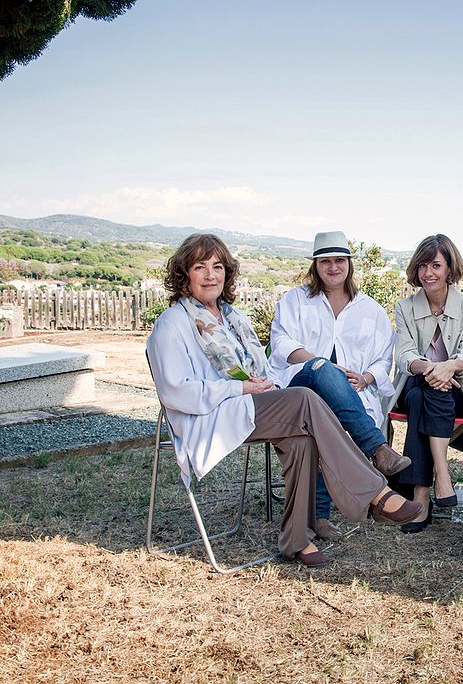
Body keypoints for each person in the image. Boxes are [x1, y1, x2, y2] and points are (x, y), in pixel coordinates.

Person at [146, 233, 422, 568]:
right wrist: (241, 389)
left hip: (251, 405)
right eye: (199, 267)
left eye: (217, 266)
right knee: (305, 397)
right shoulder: (172, 324)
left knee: (302, 436)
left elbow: (261, 371)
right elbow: (175, 392)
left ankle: (296, 539)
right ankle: (376, 492)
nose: (210, 275)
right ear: (183, 275)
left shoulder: (234, 320)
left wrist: (261, 386)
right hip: (211, 415)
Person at [268, 231, 409, 542]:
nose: (333, 267)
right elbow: (280, 342)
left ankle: (319, 516)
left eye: (339, 261)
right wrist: (320, 365)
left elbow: (384, 356)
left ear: (349, 264)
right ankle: (378, 449)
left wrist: (367, 378)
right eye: (325, 261)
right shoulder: (295, 300)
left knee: (324, 423)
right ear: (316, 266)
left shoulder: (370, 309)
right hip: (299, 386)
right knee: (321, 371)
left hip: (351, 395)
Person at [387, 234, 463, 534]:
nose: (428, 273)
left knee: (425, 398)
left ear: (449, 268)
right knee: (423, 391)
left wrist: (450, 367)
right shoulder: (405, 308)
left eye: (436, 265)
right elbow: (404, 353)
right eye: (422, 266)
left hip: (458, 389)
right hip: (414, 382)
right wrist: (431, 369)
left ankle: (420, 496)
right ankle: (441, 477)